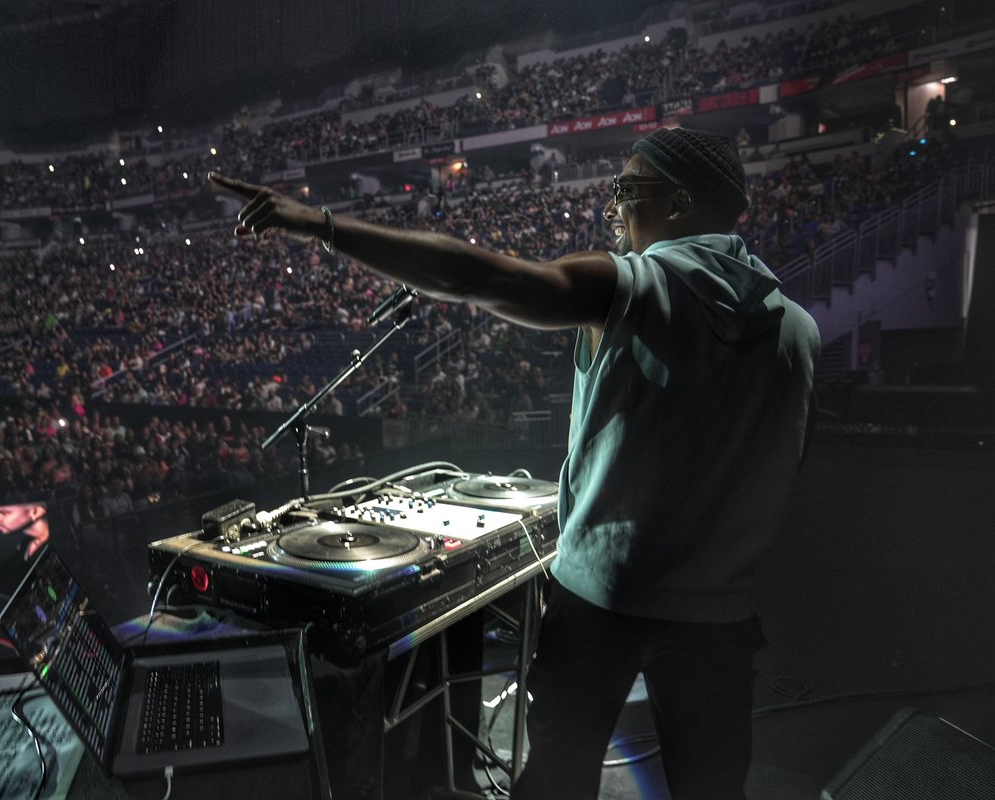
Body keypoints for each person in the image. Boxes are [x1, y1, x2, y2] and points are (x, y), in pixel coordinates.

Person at [209, 125, 819, 800]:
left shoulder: (634, 287)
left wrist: (323, 225)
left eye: (627, 187)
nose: (614, 204)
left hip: (603, 603)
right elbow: (785, 466)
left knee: (556, 779)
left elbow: (476, 276)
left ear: (676, 204)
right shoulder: (798, 329)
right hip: (723, 620)